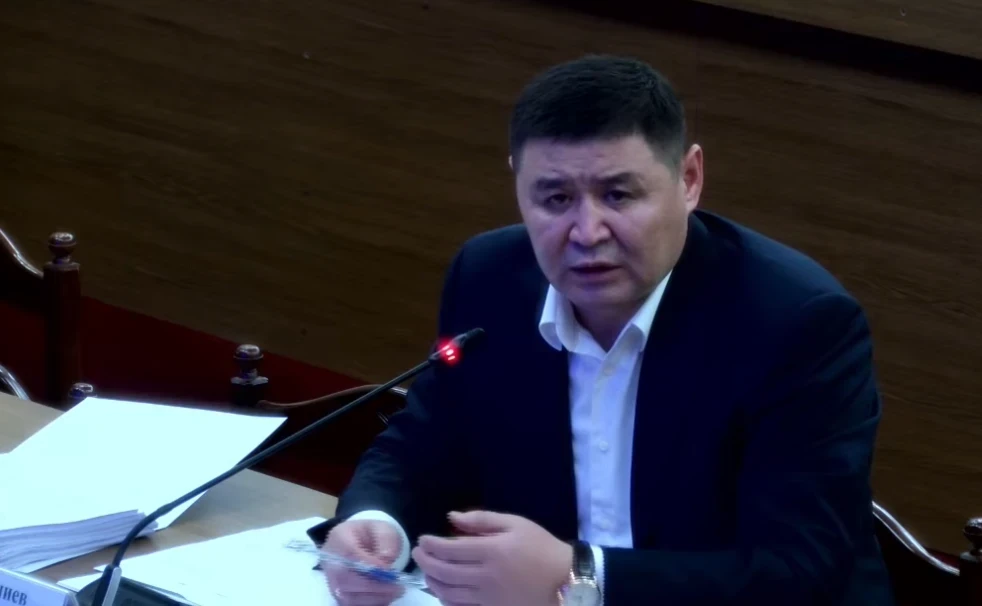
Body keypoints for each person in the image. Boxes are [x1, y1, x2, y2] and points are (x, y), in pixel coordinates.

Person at [308, 55, 895, 606]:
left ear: (689, 179)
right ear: (517, 184)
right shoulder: (489, 279)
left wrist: (581, 575)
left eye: (618, 195)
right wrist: (374, 522)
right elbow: (423, 443)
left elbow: (799, 569)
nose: (587, 232)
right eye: (555, 198)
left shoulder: (796, 324)